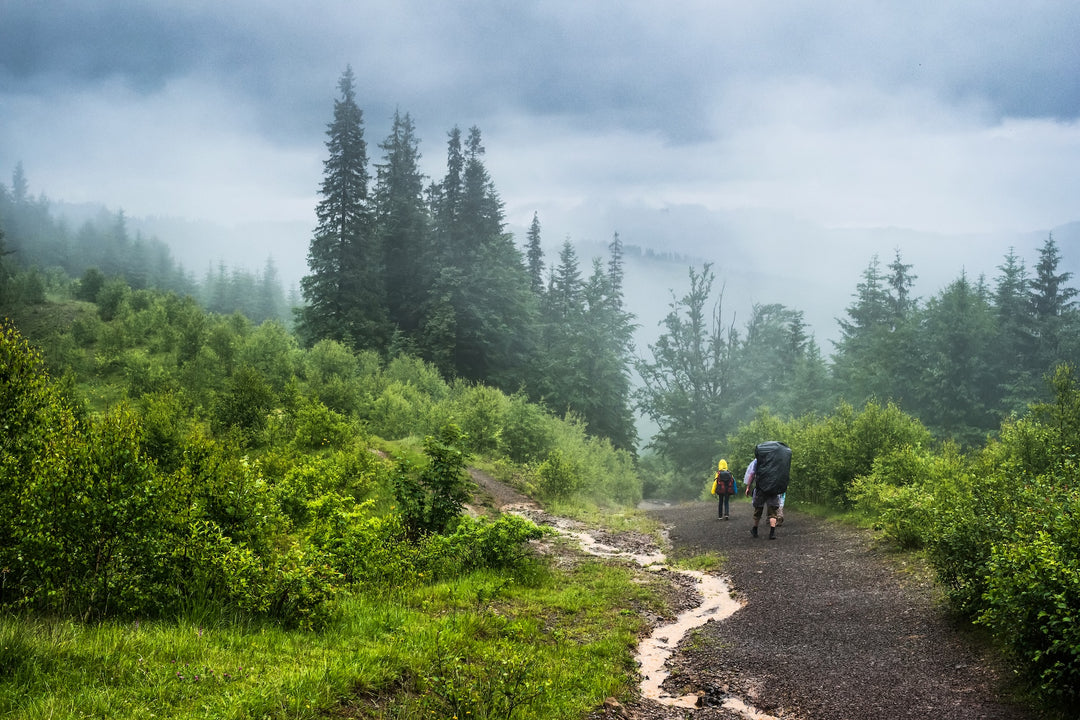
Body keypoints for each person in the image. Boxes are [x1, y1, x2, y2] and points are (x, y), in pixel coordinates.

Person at [744, 454, 782, 540]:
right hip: (773, 489)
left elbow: (752, 474)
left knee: (758, 509)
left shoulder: (758, 461)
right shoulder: (775, 461)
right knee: (772, 512)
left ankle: (755, 530)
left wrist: (748, 487)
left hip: (760, 489)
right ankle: (772, 533)